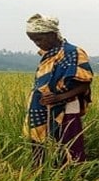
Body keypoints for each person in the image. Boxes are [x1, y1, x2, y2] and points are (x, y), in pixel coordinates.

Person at [24, 13, 94, 164]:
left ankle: (70, 178)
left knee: (68, 144)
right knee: (38, 142)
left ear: (52, 34)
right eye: (33, 40)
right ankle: (40, 176)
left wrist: (59, 97)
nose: (36, 43)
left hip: (66, 107)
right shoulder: (48, 54)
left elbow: (85, 82)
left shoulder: (73, 52)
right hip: (41, 106)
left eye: (39, 39)